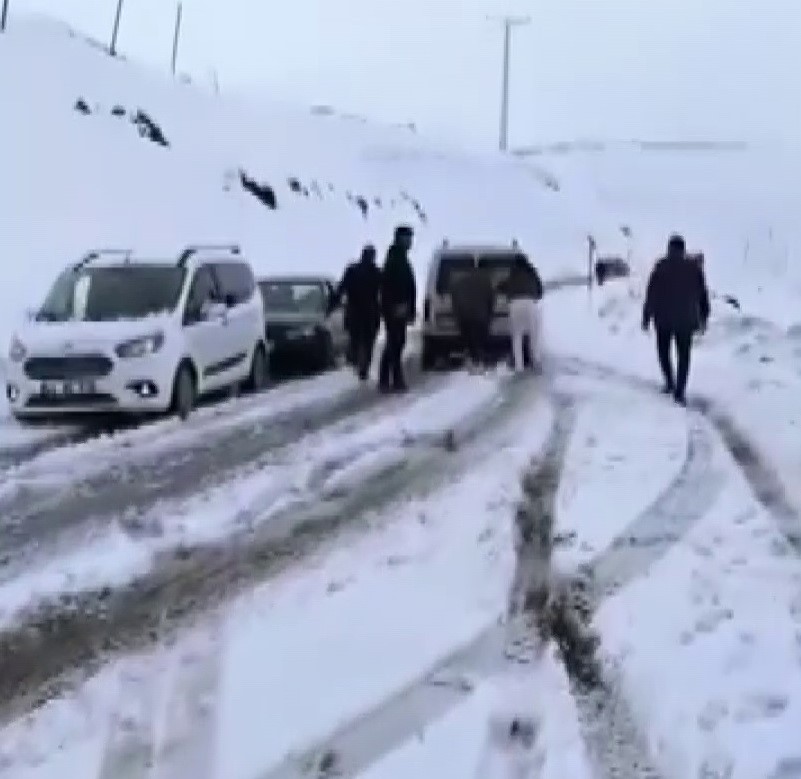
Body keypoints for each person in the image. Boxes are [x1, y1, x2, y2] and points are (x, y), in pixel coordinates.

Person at [642, 234, 710, 406]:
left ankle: (669, 382)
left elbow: (651, 294)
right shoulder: (694, 269)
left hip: (663, 319)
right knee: (684, 356)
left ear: (669, 248)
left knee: (664, 352)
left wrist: (646, 317)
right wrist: (704, 316)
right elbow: (703, 294)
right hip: (685, 320)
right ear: (683, 249)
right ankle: (680, 391)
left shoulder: (661, 267)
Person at [329, 244, 381, 381]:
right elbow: (385, 292)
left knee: (356, 339)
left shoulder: (352, 271)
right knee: (368, 341)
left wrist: (332, 304)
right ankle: (363, 366)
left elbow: (341, 289)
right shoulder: (376, 272)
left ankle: (357, 360)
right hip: (370, 312)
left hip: (355, 311)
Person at [379, 225, 417, 392]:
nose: (410, 242)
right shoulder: (396, 259)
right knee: (395, 343)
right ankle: (392, 379)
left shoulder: (399, 258)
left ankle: (388, 379)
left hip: (398, 308)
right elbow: (390, 286)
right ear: (400, 238)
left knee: (396, 343)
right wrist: (396, 306)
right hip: (395, 309)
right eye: (408, 238)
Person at [498, 254, 544, 373]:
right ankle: (536, 362)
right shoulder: (532, 272)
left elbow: (502, 287)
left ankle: (519, 367)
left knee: (517, 337)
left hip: (515, 305)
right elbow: (540, 291)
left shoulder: (512, 274)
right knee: (534, 336)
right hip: (530, 304)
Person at [450, 265, 495, 370]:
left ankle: (471, 363)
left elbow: (455, 301)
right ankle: (479, 363)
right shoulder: (486, 281)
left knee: (469, 341)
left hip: (464, 316)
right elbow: (491, 299)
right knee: (479, 341)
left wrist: (457, 317)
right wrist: (489, 316)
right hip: (481, 316)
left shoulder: (459, 282)